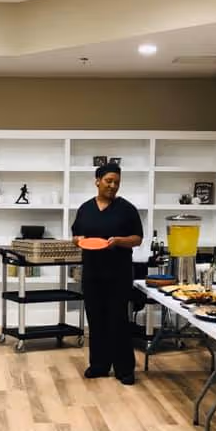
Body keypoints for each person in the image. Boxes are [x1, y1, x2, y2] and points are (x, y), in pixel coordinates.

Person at [71, 162, 143, 385]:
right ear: (97, 181)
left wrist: (119, 241)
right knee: (96, 320)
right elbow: (76, 236)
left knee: (118, 320)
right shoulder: (85, 209)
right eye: (108, 181)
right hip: (92, 274)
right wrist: (78, 240)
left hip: (118, 275)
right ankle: (99, 366)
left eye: (117, 183)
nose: (113, 186)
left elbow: (138, 239)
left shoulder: (127, 209)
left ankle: (124, 370)